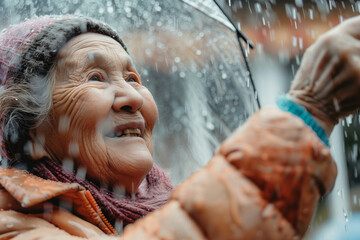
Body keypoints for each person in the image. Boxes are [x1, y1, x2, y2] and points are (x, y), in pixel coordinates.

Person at [0, 14, 359, 239]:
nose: (133, 97)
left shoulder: (162, 209)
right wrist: (307, 112)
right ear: (27, 131)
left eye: (133, 76)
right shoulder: (15, 227)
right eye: (94, 77)